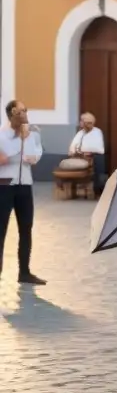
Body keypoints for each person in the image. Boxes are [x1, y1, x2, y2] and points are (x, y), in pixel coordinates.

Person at [0, 100, 46, 285]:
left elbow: (34, 156)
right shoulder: (2, 134)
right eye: (21, 111)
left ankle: (24, 272)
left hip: (25, 185)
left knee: (26, 229)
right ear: (12, 114)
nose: (25, 114)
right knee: (0, 230)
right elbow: (3, 158)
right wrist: (22, 140)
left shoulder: (32, 135)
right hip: (4, 185)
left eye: (26, 110)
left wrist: (29, 143)